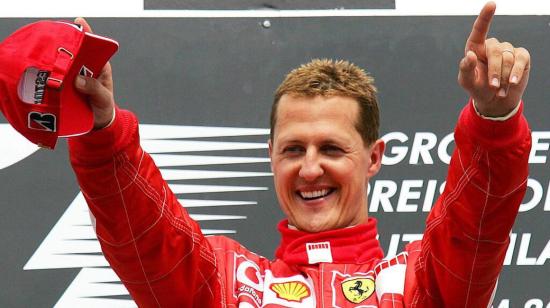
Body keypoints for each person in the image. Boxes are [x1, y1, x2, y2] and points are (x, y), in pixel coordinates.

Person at [68, 2, 531, 307]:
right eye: (293, 149)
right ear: (271, 156)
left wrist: (494, 120)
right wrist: (102, 131)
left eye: (331, 147)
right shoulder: (227, 284)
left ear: (373, 158)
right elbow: (143, 238)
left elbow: (477, 228)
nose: (310, 168)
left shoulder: (417, 284)